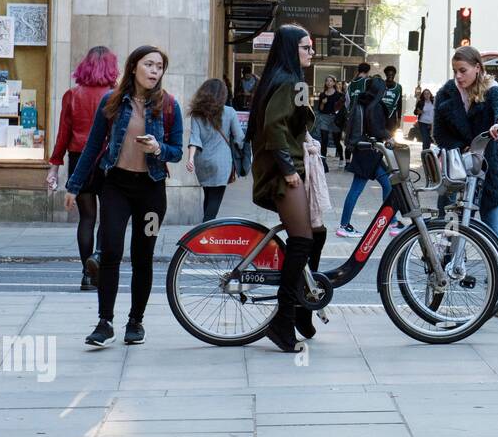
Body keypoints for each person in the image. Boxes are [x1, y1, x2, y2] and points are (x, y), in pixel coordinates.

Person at [66, 46, 183, 348]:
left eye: (159, 66)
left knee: (143, 257)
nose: (155, 70)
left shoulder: (169, 105)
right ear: (134, 67)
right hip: (115, 187)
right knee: (111, 252)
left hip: (152, 191)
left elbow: (177, 151)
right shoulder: (112, 101)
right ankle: (105, 322)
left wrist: (158, 149)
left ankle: (136, 321)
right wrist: (74, 185)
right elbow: (92, 147)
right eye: (149, 64)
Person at [247, 25, 322, 352]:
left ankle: (305, 307)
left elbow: (303, 122)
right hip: (282, 172)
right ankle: (283, 318)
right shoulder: (288, 82)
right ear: (291, 49)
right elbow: (274, 127)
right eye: (306, 48)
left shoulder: (299, 82)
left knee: (318, 234)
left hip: (295, 166)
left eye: (312, 49)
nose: (311, 53)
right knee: (303, 240)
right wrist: (290, 170)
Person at [433, 47, 498, 317]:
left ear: (477, 67)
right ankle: (439, 286)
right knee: (449, 231)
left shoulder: (493, 90)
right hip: (457, 171)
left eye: (463, 71)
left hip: (487, 172)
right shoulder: (446, 93)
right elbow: (439, 134)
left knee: (495, 234)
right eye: (455, 71)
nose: (458, 76)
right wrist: (464, 147)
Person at [47, 45, 119, 291]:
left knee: (87, 218)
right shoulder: (115, 95)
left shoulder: (72, 95)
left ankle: (86, 275)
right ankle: (97, 258)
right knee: (108, 217)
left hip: (79, 159)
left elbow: (63, 135)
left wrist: (54, 166)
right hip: (108, 160)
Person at [337, 75, 402, 240]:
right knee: (357, 189)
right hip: (369, 153)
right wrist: (389, 137)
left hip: (367, 152)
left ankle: (392, 222)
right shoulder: (375, 106)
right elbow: (376, 129)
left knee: (388, 184)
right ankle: (344, 226)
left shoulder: (361, 101)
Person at [186, 78, 244, 221]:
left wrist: (190, 159)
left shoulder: (196, 114)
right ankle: (203, 233)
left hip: (202, 161)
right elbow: (239, 138)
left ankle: (204, 235)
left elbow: (194, 138)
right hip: (222, 162)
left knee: (208, 196)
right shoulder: (230, 112)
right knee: (215, 201)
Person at [314, 76, 344, 169]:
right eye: (327, 80)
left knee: (336, 141)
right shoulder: (322, 94)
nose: (328, 82)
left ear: (334, 83)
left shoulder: (339, 95)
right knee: (324, 139)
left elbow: (341, 108)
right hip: (324, 118)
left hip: (335, 118)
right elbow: (320, 109)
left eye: (331, 81)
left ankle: (342, 158)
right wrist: (323, 102)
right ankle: (323, 161)